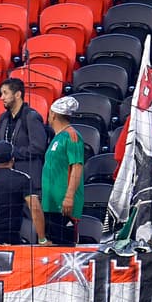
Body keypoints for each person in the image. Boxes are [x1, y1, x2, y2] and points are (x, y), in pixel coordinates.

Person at [41, 96, 86, 247]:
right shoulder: (57, 137)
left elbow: (77, 166)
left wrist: (69, 197)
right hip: (50, 203)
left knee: (65, 247)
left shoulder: (72, 135)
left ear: (52, 114)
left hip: (63, 205)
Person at [0, 77, 49, 192]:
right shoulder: (3, 118)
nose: (1, 97)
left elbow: (38, 148)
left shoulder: (31, 116)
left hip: (29, 181)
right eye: (1, 93)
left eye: (5, 93)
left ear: (17, 94)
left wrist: (12, 152)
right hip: (7, 181)